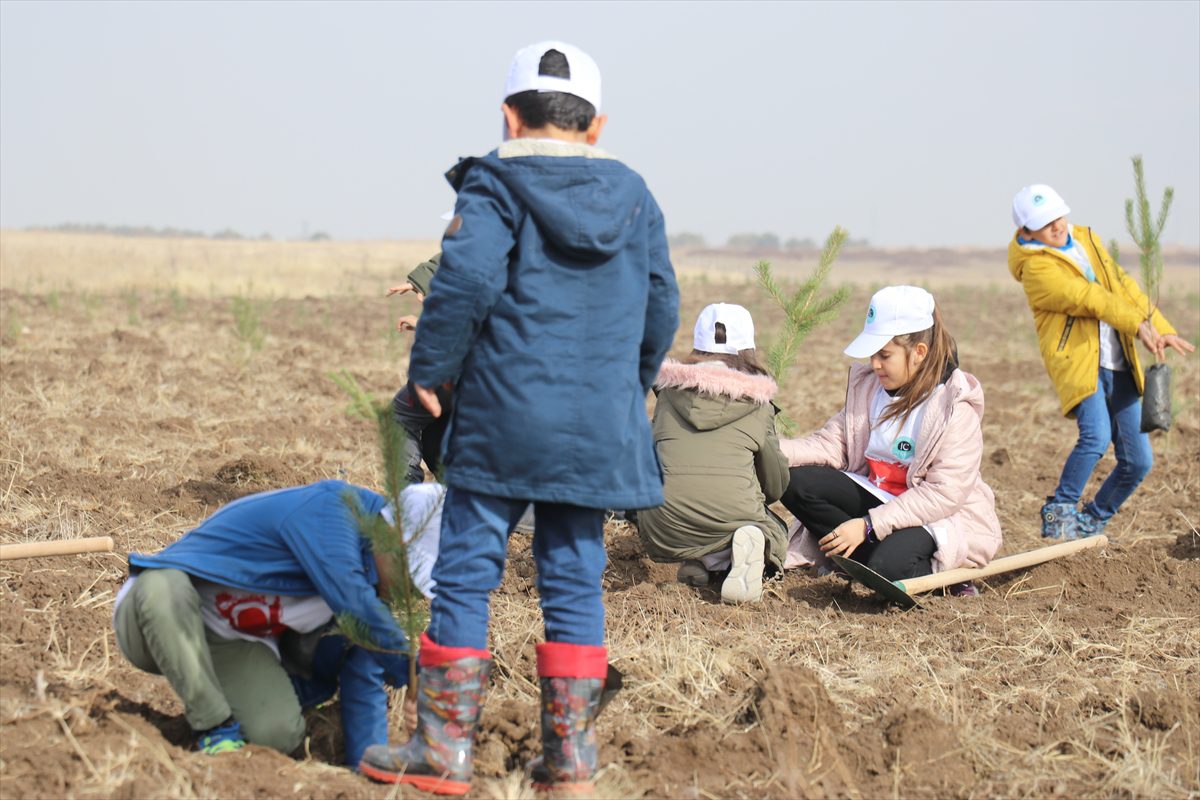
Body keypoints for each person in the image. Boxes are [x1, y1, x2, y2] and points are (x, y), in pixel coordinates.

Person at [358, 40, 679, 795]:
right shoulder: (636, 194)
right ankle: (570, 761)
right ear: (596, 127)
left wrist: (430, 369)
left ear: (508, 116)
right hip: (595, 424)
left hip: (502, 414)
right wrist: (623, 389)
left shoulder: (495, 182)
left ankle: (443, 751)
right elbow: (662, 305)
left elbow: (464, 278)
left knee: (467, 570)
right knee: (574, 578)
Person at [112, 480, 443, 767]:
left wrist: (369, 767)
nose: (409, 595)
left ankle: (216, 716)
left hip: (231, 643)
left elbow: (363, 675)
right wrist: (419, 676)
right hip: (154, 617)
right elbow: (351, 597)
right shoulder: (333, 510)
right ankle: (215, 726)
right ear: (391, 535)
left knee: (278, 733)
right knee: (163, 588)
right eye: (410, 577)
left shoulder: (372, 594)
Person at [779, 286, 1002, 587]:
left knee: (888, 567)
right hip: (878, 498)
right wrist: (771, 452)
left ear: (919, 353)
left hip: (930, 516)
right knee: (792, 479)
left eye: (884, 355)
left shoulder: (953, 408)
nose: (874, 364)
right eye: (873, 354)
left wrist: (868, 526)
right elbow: (833, 443)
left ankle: (933, 573)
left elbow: (943, 494)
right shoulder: (871, 389)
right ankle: (862, 560)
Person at [1008, 185, 1194, 538]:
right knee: (1096, 436)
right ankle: (1060, 513)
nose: (1056, 226)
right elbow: (1090, 298)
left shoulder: (1086, 240)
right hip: (1081, 363)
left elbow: (1123, 288)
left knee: (1138, 461)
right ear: (1026, 231)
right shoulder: (1035, 269)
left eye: (1058, 216)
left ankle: (1090, 521)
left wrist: (1160, 329)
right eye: (1044, 223)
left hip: (1118, 361)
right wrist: (1138, 326)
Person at [637, 303, 789, 604]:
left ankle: (700, 561)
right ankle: (729, 556)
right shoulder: (757, 403)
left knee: (683, 496)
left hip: (661, 527)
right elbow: (775, 483)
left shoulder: (667, 395)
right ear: (748, 349)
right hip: (730, 514)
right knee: (773, 531)